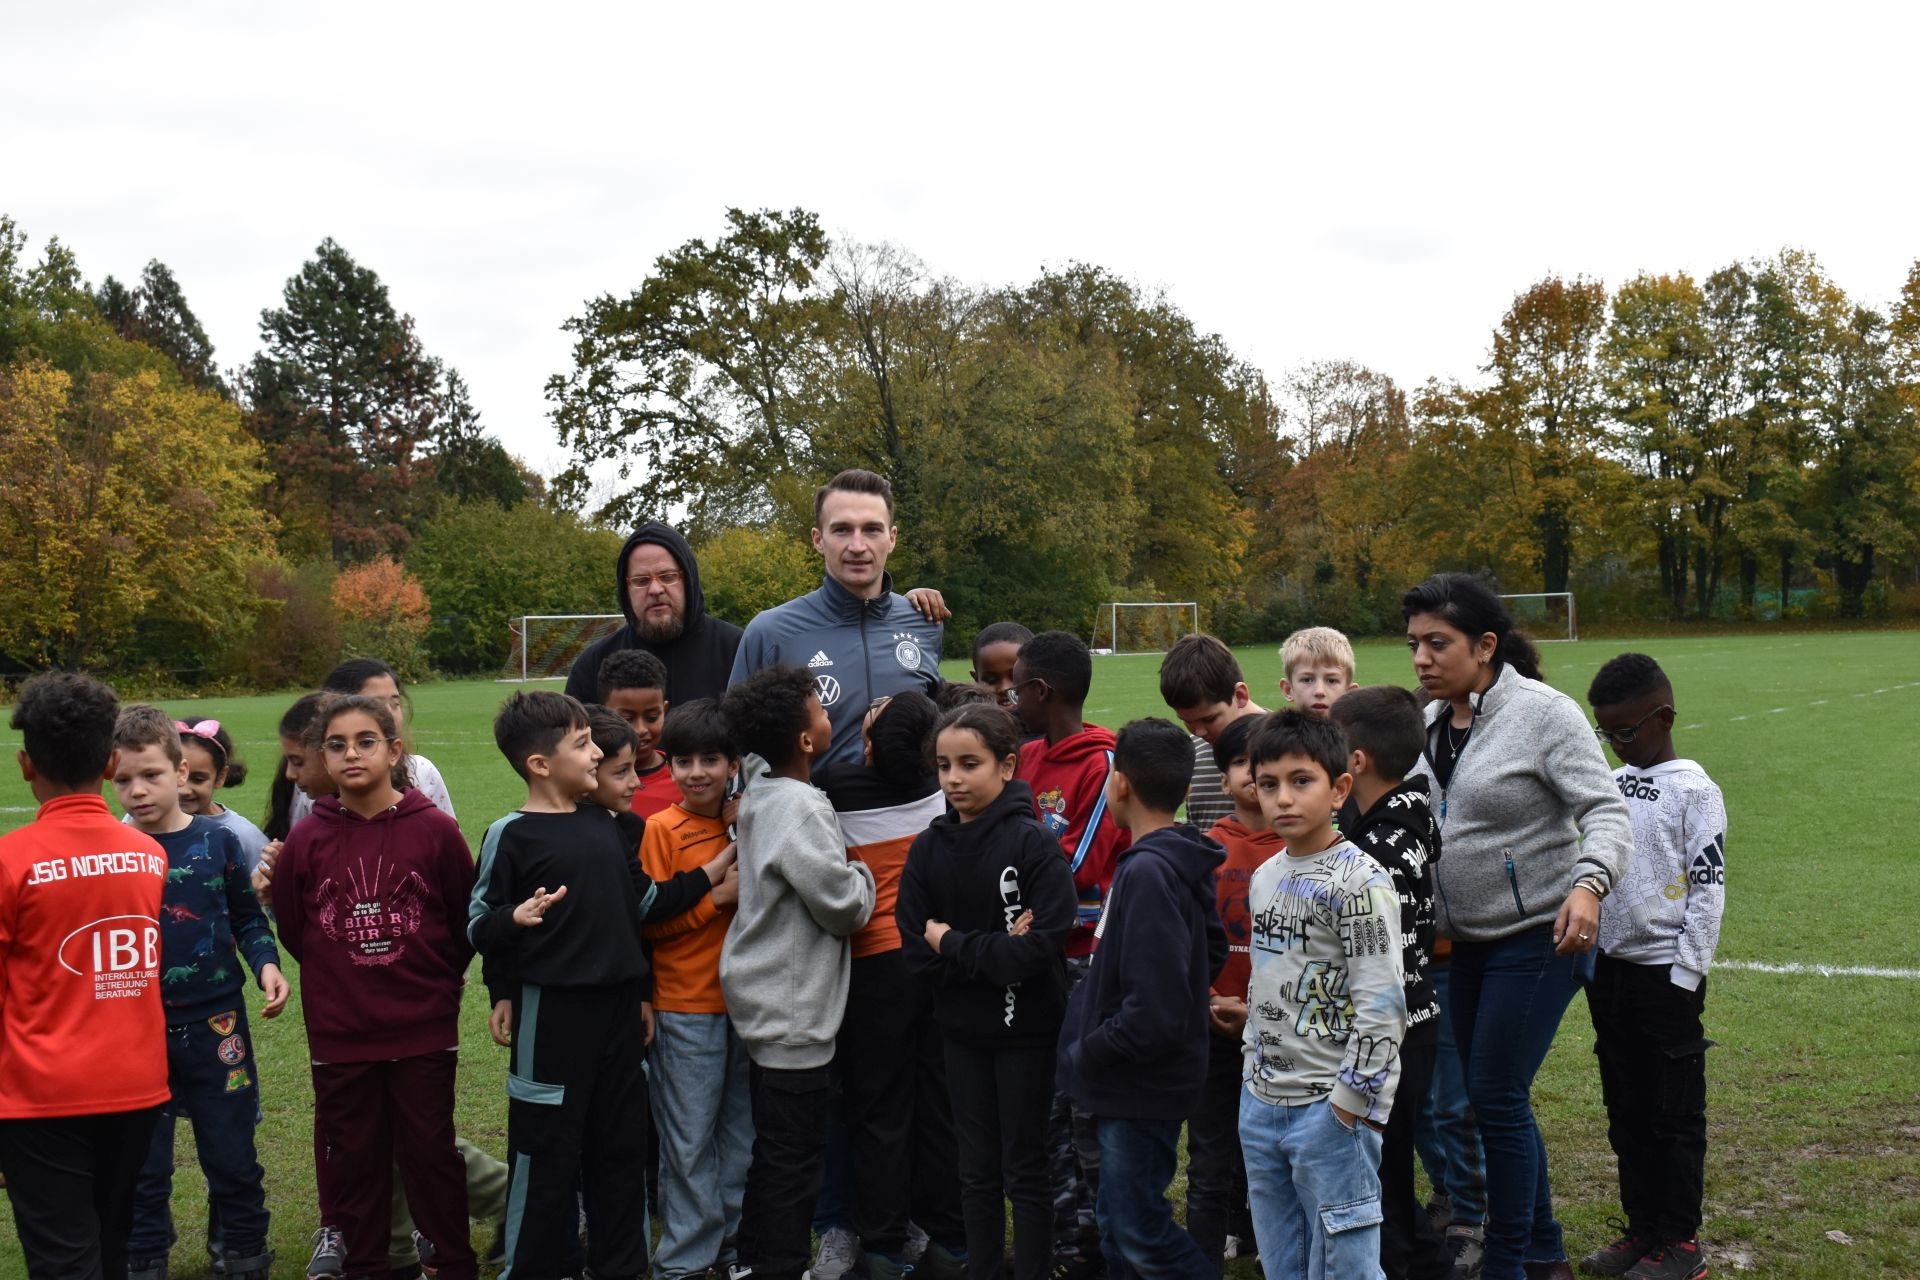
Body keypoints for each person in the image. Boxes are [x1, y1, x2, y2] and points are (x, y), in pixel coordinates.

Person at [1403, 574, 1632, 1280]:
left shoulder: (1544, 714)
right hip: (1463, 944)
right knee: (1493, 1096)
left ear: (1485, 646)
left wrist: (1589, 886)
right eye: (1414, 645)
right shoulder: (1426, 722)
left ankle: (1508, 1263)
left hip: (1539, 935)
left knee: (1495, 1094)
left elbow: (1607, 810)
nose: (1422, 659)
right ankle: (1543, 1253)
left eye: (1437, 643)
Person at [274, 694, 479, 1280]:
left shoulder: (435, 830)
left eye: (366, 741)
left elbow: (461, 921)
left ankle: (452, 1262)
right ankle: (367, 1266)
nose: (351, 754)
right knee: (354, 1160)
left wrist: (429, 982)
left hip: (422, 1028)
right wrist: (344, 977)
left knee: (430, 1153)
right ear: (323, 758)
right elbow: (296, 930)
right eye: (336, 745)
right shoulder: (306, 840)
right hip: (342, 1033)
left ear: (394, 752)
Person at [897, 703, 1078, 1280]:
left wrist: (951, 943)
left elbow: (1038, 949)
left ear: (1006, 767)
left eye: (969, 764)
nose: (953, 779)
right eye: (943, 765)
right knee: (975, 1170)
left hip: (1027, 1034)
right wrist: (993, 955)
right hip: (962, 1034)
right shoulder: (928, 849)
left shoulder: (1034, 846)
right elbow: (915, 950)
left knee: (1024, 1168)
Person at [0, 673, 169, 1280]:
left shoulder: (10, 862)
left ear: (25, 765)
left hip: (42, 1097)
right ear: (110, 763)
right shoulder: (149, 856)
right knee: (110, 1242)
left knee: (63, 1257)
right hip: (137, 1087)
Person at [111, 706, 288, 1280]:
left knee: (231, 1153)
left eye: (151, 775)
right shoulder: (114, 853)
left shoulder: (219, 842)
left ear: (181, 771)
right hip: (137, 1032)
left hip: (218, 1026)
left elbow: (247, 918)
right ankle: (143, 1257)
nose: (138, 791)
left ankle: (243, 1252)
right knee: (142, 1163)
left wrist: (266, 965)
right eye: (123, 779)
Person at [718, 665, 877, 1280]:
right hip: (792, 1009)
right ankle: (780, 1266)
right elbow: (840, 906)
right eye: (820, 709)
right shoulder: (800, 807)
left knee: (774, 1147)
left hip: (764, 1000)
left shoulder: (760, 789)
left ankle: (752, 1259)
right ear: (807, 740)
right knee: (796, 1157)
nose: (830, 714)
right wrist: (861, 874)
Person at [1238, 709, 1407, 1280]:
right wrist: (1252, 1076)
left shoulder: (1362, 882)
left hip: (1329, 1110)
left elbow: (1383, 1006)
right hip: (1262, 1103)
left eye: (1301, 780)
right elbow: (1264, 982)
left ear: (1339, 789)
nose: (1283, 797)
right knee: (1281, 1258)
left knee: (1344, 1266)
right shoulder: (1265, 876)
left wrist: (1349, 1106)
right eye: (1268, 784)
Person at [1057, 717, 1227, 1280]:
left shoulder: (1149, 872)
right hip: (1136, 1078)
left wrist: (1092, 1048)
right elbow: (1211, 948)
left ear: (1120, 783)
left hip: (1139, 1083)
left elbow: (1154, 1009)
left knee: (1140, 1232)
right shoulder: (1168, 859)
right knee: (1117, 1225)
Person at [1578, 655, 1724, 1280]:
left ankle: (1681, 1243)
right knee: (1627, 1112)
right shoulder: (1611, 784)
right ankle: (1641, 1230)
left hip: (1665, 978)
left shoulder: (1695, 791)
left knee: (1673, 1115)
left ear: (1663, 717)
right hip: (1609, 974)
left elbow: (1709, 889)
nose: (1616, 742)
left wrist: (1686, 975)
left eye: (1626, 731)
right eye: (1606, 732)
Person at [817, 692, 967, 1280]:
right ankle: (949, 1241)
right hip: (935, 957)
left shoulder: (837, 788)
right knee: (939, 1103)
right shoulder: (941, 790)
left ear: (870, 746)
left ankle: (881, 1246)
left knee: (879, 1108)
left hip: (874, 965)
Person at [1008, 629, 1129, 1272]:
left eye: (1015, 689)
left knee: (1085, 1101)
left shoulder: (1103, 764)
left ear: (1042, 690)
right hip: (1032, 950)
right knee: (1046, 1105)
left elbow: (1078, 864)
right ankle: (1068, 1236)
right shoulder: (1024, 756)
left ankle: (1106, 1238)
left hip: (1083, 955)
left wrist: (1010, 873)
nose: (1010, 700)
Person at [1329, 687, 1453, 1280]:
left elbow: (1375, 956)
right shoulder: (1390, 820)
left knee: (1381, 1173)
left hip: (1392, 1029)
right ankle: (1423, 1261)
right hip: (1405, 1023)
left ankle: (1406, 1264)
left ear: (1355, 762)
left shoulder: (1380, 847)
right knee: (1387, 1170)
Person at [641, 700, 753, 1280]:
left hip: (748, 1006)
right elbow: (651, 923)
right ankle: (684, 1261)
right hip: (685, 1006)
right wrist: (716, 901)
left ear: (734, 763)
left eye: (711, 759)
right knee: (688, 1140)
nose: (697, 772)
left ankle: (728, 1245)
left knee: (739, 1135)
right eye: (683, 761)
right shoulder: (660, 829)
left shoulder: (749, 821)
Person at [727, 470, 944, 767]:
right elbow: (736, 742)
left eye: (872, 530)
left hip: (917, 797)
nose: (857, 546)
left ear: (892, 538)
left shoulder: (924, 620)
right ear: (818, 539)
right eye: (842, 530)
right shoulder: (771, 632)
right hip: (813, 798)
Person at [1186, 713, 1282, 1272]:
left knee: (1274, 1149)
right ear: (1223, 779)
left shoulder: (1304, 847)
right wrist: (1204, 997)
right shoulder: (1205, 850)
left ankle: (1274, 1244)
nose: (1253, 773)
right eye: (1242, 762)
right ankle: (1205, 1253)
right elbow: (1185, 940)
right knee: (1209, 1152)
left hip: (1281, 1032)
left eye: (1264, 761)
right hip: (1215, 1025)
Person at [565, 519, 747, 708]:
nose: (655, 589)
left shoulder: (738, 651)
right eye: (641, 580)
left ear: (688, 580)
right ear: (625, 589)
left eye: (667, 577)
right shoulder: (594, 665)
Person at [288, 658, 455, 825]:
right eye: (375, 704)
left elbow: (446, 835)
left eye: (395, 703)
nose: (390, 715)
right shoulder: (310, 782)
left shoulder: (421, 772)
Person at [1159, 634, 1269, 832]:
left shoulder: (1287, 743)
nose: (1199, 731)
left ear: (1240, 695)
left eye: (1209, 719)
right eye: (1187, 721)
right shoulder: (1191, 751)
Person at [174, 719, 270, 878]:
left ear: (220, 777)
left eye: (198, 779)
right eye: (176, 775)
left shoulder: (243, 835)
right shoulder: (141, 822)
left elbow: (264, 885)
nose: (184, 790)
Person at [598, 649, 684, 818]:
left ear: (664, 710)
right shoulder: (587, 782)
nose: (640, 729)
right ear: (603, 713)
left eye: (652, 717)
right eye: (627, 719)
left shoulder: (684, 779)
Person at [1279, 627, 1356, 716]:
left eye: (1331, 681)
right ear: (1288, 690)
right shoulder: (1274, 725)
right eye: (1307, 680)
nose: (1319, 691)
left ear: (1350, 694)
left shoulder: (1361, 725)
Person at [970, 621, 1034, 705]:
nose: (1004, 688)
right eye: (991, 681)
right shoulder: (966, 713)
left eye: (1016, 678)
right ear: (976, 680)